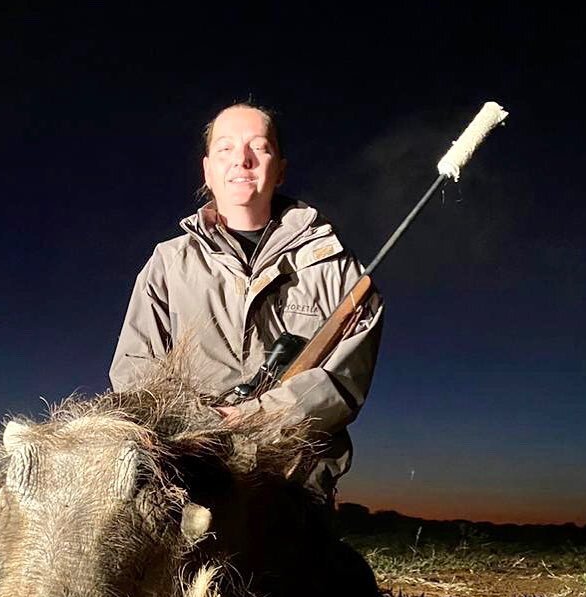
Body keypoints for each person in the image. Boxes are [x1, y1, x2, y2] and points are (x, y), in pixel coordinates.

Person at [109, 102, 383, 499]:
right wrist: (204, 424)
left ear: (281, 169)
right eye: (225, 148)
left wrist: (250, 417)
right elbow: (133, 370)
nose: (242, 159)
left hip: (292, 480)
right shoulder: (168, 262)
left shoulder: (339, 269)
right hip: (187, 471)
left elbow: (342, 385)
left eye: (260, 147)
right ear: (207, 170)